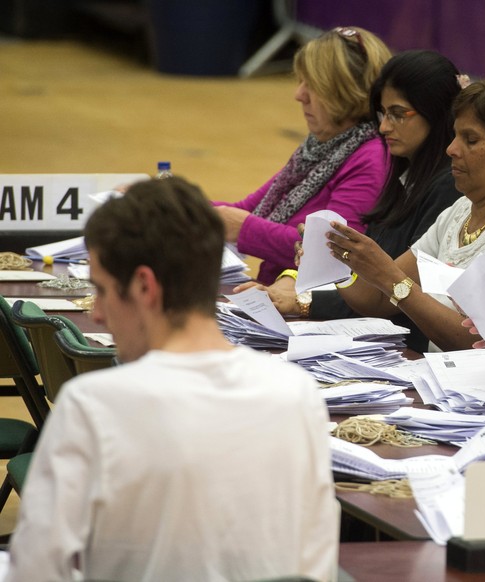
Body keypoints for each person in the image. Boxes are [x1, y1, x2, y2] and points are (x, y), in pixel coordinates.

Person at [5, 178, 338, 581]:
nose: (96, 315)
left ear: (145, 286)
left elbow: (38, 568)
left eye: (103, 291)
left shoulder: (95, 403)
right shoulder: (296, 393)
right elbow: (316, 556)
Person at [233, 50, 464, 353]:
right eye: (382, 114)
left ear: (435, 112)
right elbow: (371, 277)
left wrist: (305, 298)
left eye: (397, 113)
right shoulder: (403, 170)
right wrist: (312, 268)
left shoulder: (440, 183)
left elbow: (389, 292)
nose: (384, 127)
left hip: (404, 348)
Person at [324, 78, 485, 352]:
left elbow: (481, 343)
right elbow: (375, 300)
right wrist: (336, 260)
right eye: (455, 135)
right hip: (442, 381)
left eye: (471, 140)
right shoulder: (458, 212)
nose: (451, 149)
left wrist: (392, 279)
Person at [214, 26, 392, 283]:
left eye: (312, 85)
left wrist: (244, 229)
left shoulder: (371, 157)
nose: (299, 95)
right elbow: (247, 210)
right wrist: (167, 203)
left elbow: (339, 252)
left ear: (345, 91)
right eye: (300, 82)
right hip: (278, 291)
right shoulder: (323, 144)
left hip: (308, 307)